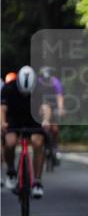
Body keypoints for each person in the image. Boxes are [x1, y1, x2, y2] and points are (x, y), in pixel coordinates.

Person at [1, 66, 50, 198]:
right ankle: (11, 171)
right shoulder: (8, 88)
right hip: (14, 118)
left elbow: (45, 107)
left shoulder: (40, 88)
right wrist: (3, 123)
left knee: (37, 142)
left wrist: (46, 120)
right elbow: (2, 109)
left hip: (33, 117)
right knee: (9, 142)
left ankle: (37, 182)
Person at [36, 67, 64, 164]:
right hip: (41, 107)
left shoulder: (55, 82)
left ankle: (55, 147)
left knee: (55, 128)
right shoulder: (37, 82)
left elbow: (59, 96)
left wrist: (60, 109)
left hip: (53, 106)